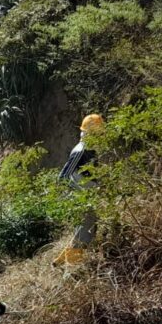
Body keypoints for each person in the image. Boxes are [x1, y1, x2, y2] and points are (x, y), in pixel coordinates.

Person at [53, 113, 105, 267]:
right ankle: (73, 267)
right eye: (98, 134)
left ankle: (61, 261)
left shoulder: (91, 150)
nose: (100, 137)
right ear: (89, 133)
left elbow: (92, 174)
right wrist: (74, 195)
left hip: (88, 194)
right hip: (79, 196)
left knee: (89, 226)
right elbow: (63, 176)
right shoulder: (80, 150)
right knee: (85, 227)